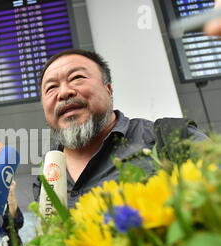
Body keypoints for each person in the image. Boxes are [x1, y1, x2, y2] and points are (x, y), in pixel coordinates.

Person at [33, 48, 208, 209]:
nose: (64, 92)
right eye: (51, 88)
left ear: (108, 90)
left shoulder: (173, 139)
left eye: (77, 78)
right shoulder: (44, 174)